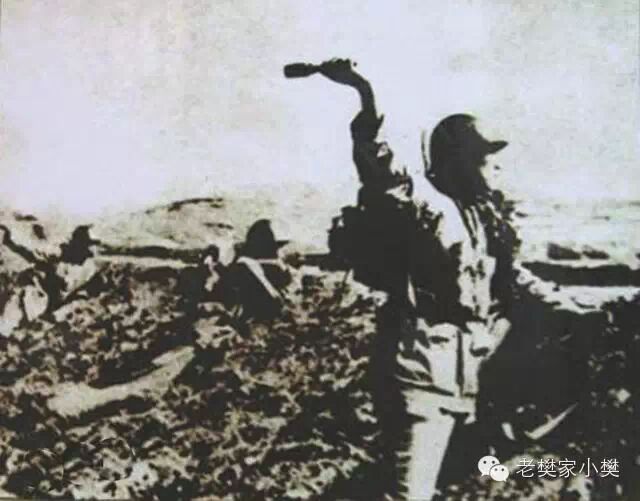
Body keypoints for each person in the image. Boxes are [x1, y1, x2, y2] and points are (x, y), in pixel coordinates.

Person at [310, 58, 516, 499]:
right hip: (420, 379)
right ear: (462, 163)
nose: (497, 171)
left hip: (456, 386)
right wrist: (365, 95)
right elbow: (382, 169)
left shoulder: (478, 222)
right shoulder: (430, 207)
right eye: (487, 161)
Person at [0, 224, 102, 331]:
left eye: (70, 316)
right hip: (47, 268)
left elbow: (34, 273)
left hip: (34, 275)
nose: (74, 309)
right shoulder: (84, 277)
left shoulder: (42, 305)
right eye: (79, 311)